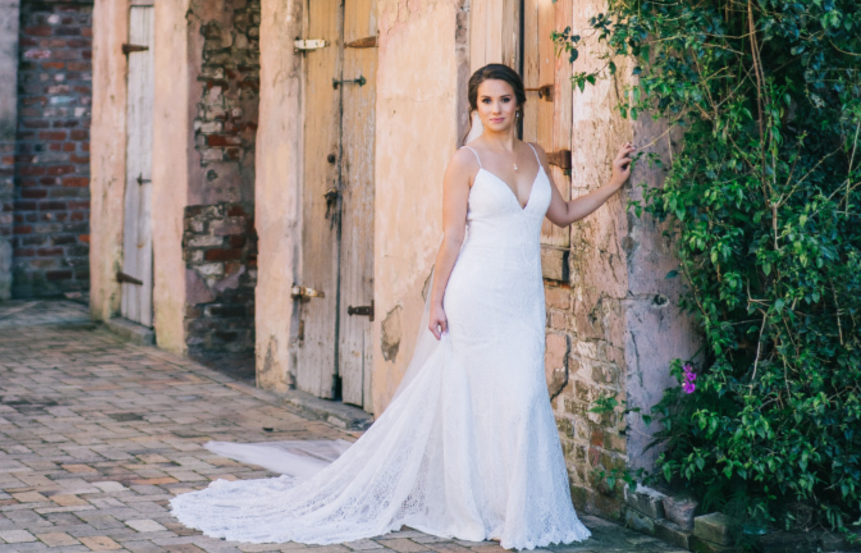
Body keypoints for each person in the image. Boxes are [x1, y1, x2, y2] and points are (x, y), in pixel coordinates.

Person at [170, 63, 634, 550]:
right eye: (486, 101)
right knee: (475, 401)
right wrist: (435, 302)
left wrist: (612, 183)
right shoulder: (466, 161)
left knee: (521, 400)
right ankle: (481, 509)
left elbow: (560, 216)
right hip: (475, 295)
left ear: (519, 102)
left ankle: (517, 511)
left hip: (523, 301)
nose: (496, 109)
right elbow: (453, 237)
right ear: (475, 108)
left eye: (504, 99)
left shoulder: (535, 155)